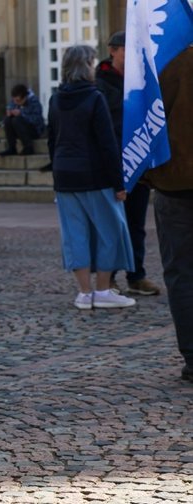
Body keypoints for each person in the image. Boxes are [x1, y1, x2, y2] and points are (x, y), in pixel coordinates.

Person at [47, 45, 136, 310]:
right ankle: (103, 288)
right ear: (86, 66)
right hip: (94, 174)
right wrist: (119, 183)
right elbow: (107, 144)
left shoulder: (55, 99)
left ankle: (84, 292)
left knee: (75, 234)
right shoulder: (94, 97)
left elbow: (51, 141)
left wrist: (57, 173)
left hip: (64, 174)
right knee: (110, 231)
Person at [141, 46, 193, 382]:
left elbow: (144, 124)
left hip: (174, 182)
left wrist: (145, 175)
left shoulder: (165, 63)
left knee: (181, 274)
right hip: (173, 185)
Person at [95, 31, 161, 297]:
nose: (131, 55)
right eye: (126, 49)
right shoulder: (100, 82)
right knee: (112, 223)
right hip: (113, 162)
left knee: (136, 223)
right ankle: (107, 277)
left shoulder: (140, 79)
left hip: (138, 160)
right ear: (113, 50)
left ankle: (136, 275)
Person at [0, 83, 45, 156]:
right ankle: (12, 148)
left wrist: (22, 114)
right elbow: (10, 107)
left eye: (18, 100)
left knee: (17, 120)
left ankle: (28, 147)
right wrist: (10, 111)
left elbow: (37, 120)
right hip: (19, 129)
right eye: (14, 100)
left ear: (25, 97)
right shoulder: (15, 101)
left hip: (34, 130)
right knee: (7, 120)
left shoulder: (34, 102)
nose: (16, 103)